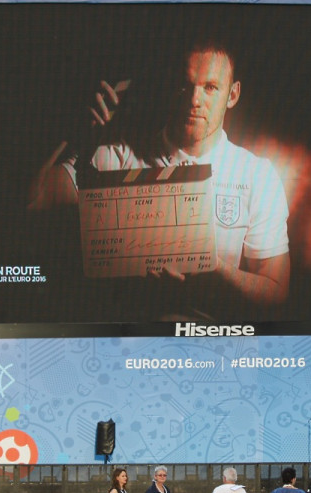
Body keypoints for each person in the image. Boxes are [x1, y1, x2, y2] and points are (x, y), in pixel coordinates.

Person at [33, 36, 290, 318]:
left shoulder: (257, 175)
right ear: (171, 85)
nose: (195, 100)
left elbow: (275, 291)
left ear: (232, 94)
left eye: (211, 87)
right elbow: (34, 199)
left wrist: (213, 269)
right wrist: (65, 131)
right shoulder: (116, 157)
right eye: (186, 84)